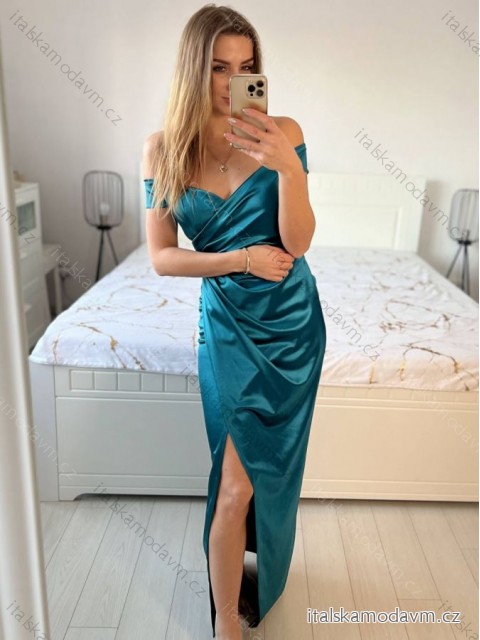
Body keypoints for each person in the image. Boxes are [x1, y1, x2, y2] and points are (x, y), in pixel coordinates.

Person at [143, 5, 327, 639]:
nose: (233, 81)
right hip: (227, 327)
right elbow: (163, 258)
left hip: (292, 326)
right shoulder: (164, 149)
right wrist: (240, 259)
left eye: (246, 67)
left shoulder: (283, 132)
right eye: (220, 68)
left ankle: (252, 588)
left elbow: (298, 242)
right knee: (232, 481)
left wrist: (289, 167)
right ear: (194, 70)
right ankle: (227, 622)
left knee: (263, 476)